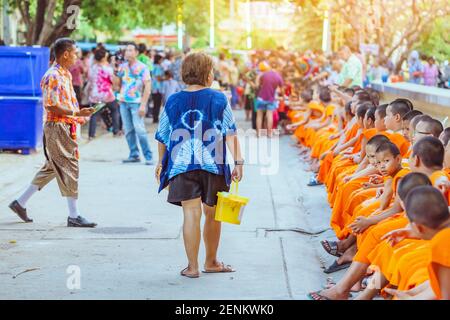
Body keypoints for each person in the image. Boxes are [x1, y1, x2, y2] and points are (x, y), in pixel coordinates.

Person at [155, 52, 244, 279]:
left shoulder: (173, 100)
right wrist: (239, 161)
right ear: (207, 73)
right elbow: (230, 132)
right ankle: (211, 262)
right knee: (213, 212)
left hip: (181, 163)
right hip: (213, 162)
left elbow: (163, 135)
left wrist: (159, 162)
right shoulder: (219, 98)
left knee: (191, 214)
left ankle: (192, 267)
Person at [9, 38, 97, 228]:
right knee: (70, 166)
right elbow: (51, 104)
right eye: (74, 53)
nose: (76, 57)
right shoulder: (53, 75)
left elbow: (67, 102)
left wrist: (80, 115)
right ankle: (74, 215)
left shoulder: (65, 74)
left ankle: (20, 202)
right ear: (65, 54)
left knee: (53, 167)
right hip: (57, 127)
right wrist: (75, 113)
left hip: (65, 125)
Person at [115, 42, 153, 165]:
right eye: (126, 50)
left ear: (136, 52)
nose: (128, 52)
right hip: (123, 102)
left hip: (136, 102)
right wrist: (114, 67)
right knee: (128, 129)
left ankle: (148, 156)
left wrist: (143, 104)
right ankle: (134, 154)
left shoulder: (143, 67)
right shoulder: (122, 66)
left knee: (139, 129)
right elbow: (116, 82)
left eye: (131, 50)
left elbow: (148, 86)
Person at [87, 49, 120, 139]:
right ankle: (116, 131)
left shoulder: (92, 68)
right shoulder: (108, 69)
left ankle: (91, 135)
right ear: (103, 58)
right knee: (114, 110)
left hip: (96, 96)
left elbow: (90, 80)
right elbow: (113, 81)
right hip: (107, 95)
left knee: (94, 114)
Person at [255, 62, 284, 138]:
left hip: (261, 97)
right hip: (271, 98)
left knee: (259, 115)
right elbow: (282, 88)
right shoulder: (278, 76)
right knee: (269, 115)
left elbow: (258, 85)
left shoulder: (264, 74)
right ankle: (269, 134)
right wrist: (283, 96)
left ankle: (258, 133)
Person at [151, 54, 164, 123]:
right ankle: (155, 118)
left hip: (153, 87)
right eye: (161, 59)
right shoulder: (158, 67)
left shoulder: (153, 66)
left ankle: (154, 117)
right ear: (159, 60)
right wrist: (165, 78)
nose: (162, 61)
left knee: (155, 104)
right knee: (157, 104)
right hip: (158, 88)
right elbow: (158, 77)